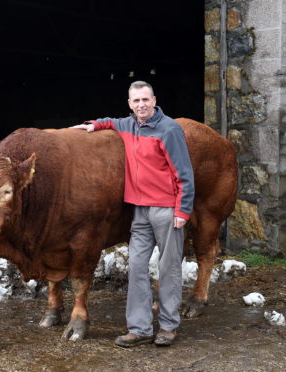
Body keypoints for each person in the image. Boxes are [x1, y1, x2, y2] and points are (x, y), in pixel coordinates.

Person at [71, 81, 194, 347]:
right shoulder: (129, 125)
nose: (141, 105)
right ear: (130, 104)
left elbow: (184, 173)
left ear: (154, 100)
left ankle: (168, 327)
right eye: (136, 101)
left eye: (145, 100)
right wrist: (92, 124)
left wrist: (183, 210)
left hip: (166, 209)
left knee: (168, 267)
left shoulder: (169, 129)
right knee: (136, 267)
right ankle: (139, 328)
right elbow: (110, 122)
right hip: (139, 211)